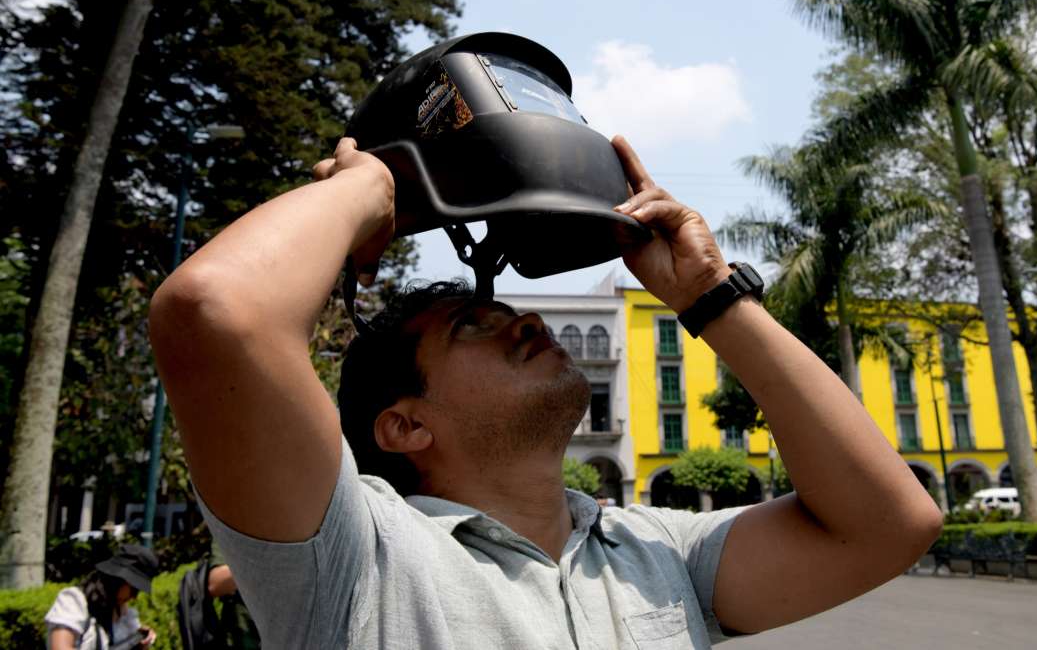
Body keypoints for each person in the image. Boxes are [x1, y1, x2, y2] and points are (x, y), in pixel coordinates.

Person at [149, 135, 942, 648]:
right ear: (403, 427)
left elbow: (889, 523)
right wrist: (375, 189)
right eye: (471, 326)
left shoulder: (661, 551)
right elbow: (213, 312)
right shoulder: (356, 556)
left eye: (507, 310)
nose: (523, 320)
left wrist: (710, 298)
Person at [45, 544, 158, 649]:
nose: (134, 597)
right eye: (134, 590)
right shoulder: (73, 601)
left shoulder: (122, 611)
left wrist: (139, 639)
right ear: (119, 580)